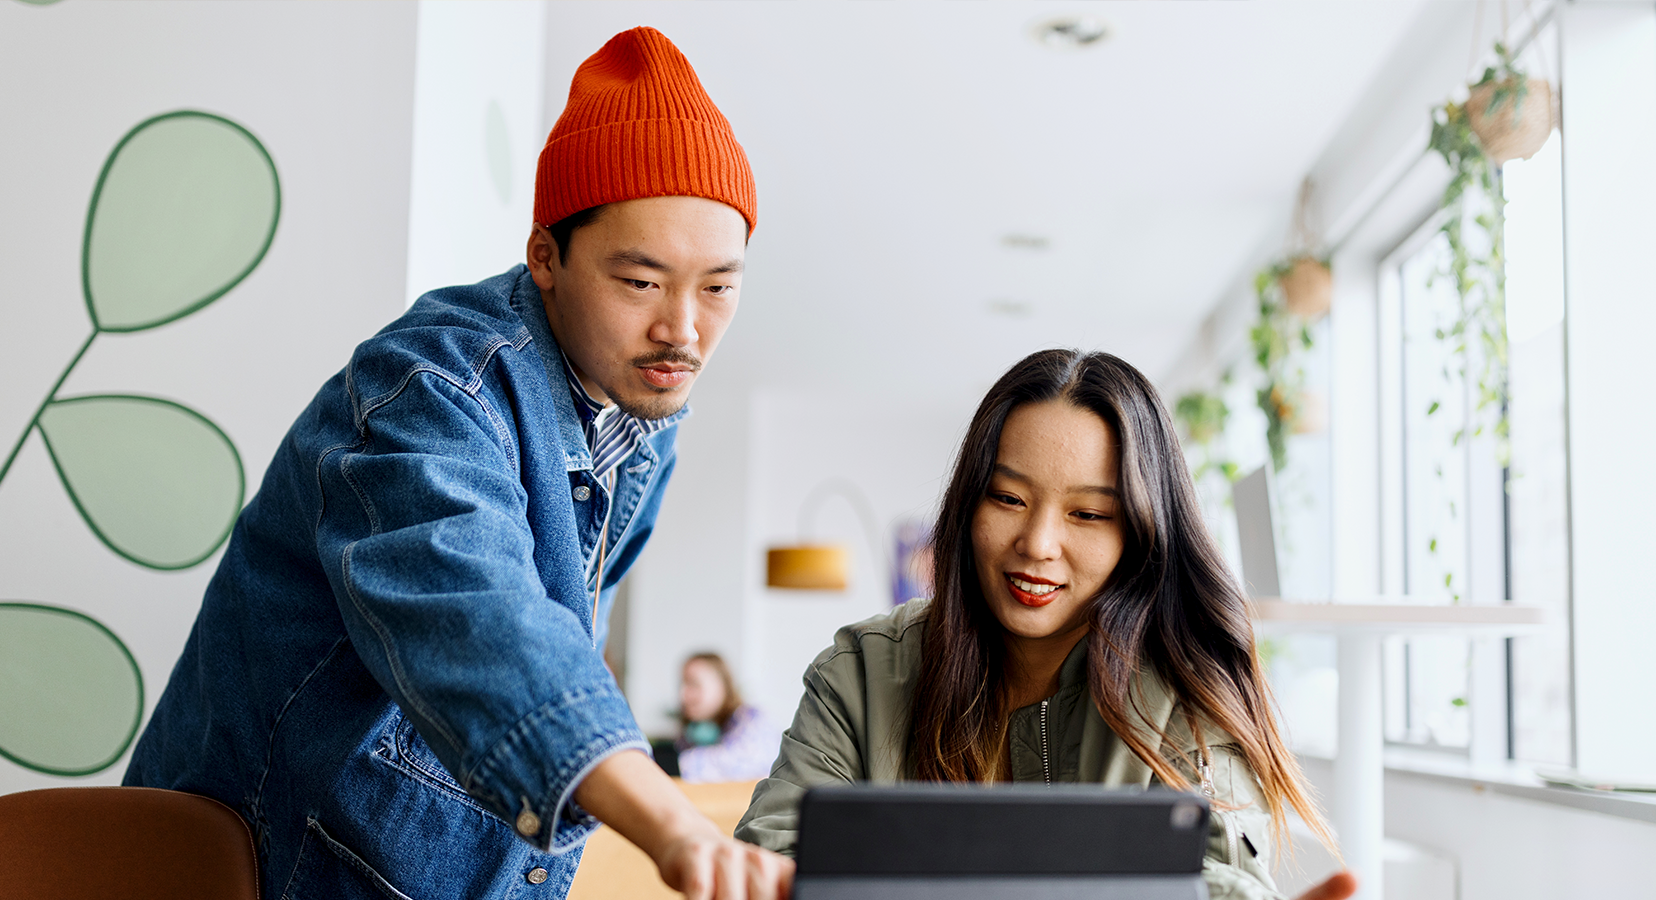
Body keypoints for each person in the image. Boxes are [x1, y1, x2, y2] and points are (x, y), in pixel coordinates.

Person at [125, 27, 792, 900]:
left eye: (718, 286)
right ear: (546, 257)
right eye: (641, 282)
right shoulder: (430, 388)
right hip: (285, 871)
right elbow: (481, 621)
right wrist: (671, 825)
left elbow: (566, 644)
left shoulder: (640, 422)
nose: (683, 328)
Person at [735, 349, 1356, 900]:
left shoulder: (1186, 689)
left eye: (1087, 513)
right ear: (967, 503)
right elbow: (771, 864)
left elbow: (1220, 881)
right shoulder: (860, 673)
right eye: (1008, 499)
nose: (1037, 543)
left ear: (1140, 533)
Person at [670, 652, 782, 783]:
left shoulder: (753, 721)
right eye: (682, 685)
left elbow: (743, 765)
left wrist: (675, 763)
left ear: (722, 685)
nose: (683, 694)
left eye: (693, 684)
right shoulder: (692, 733)